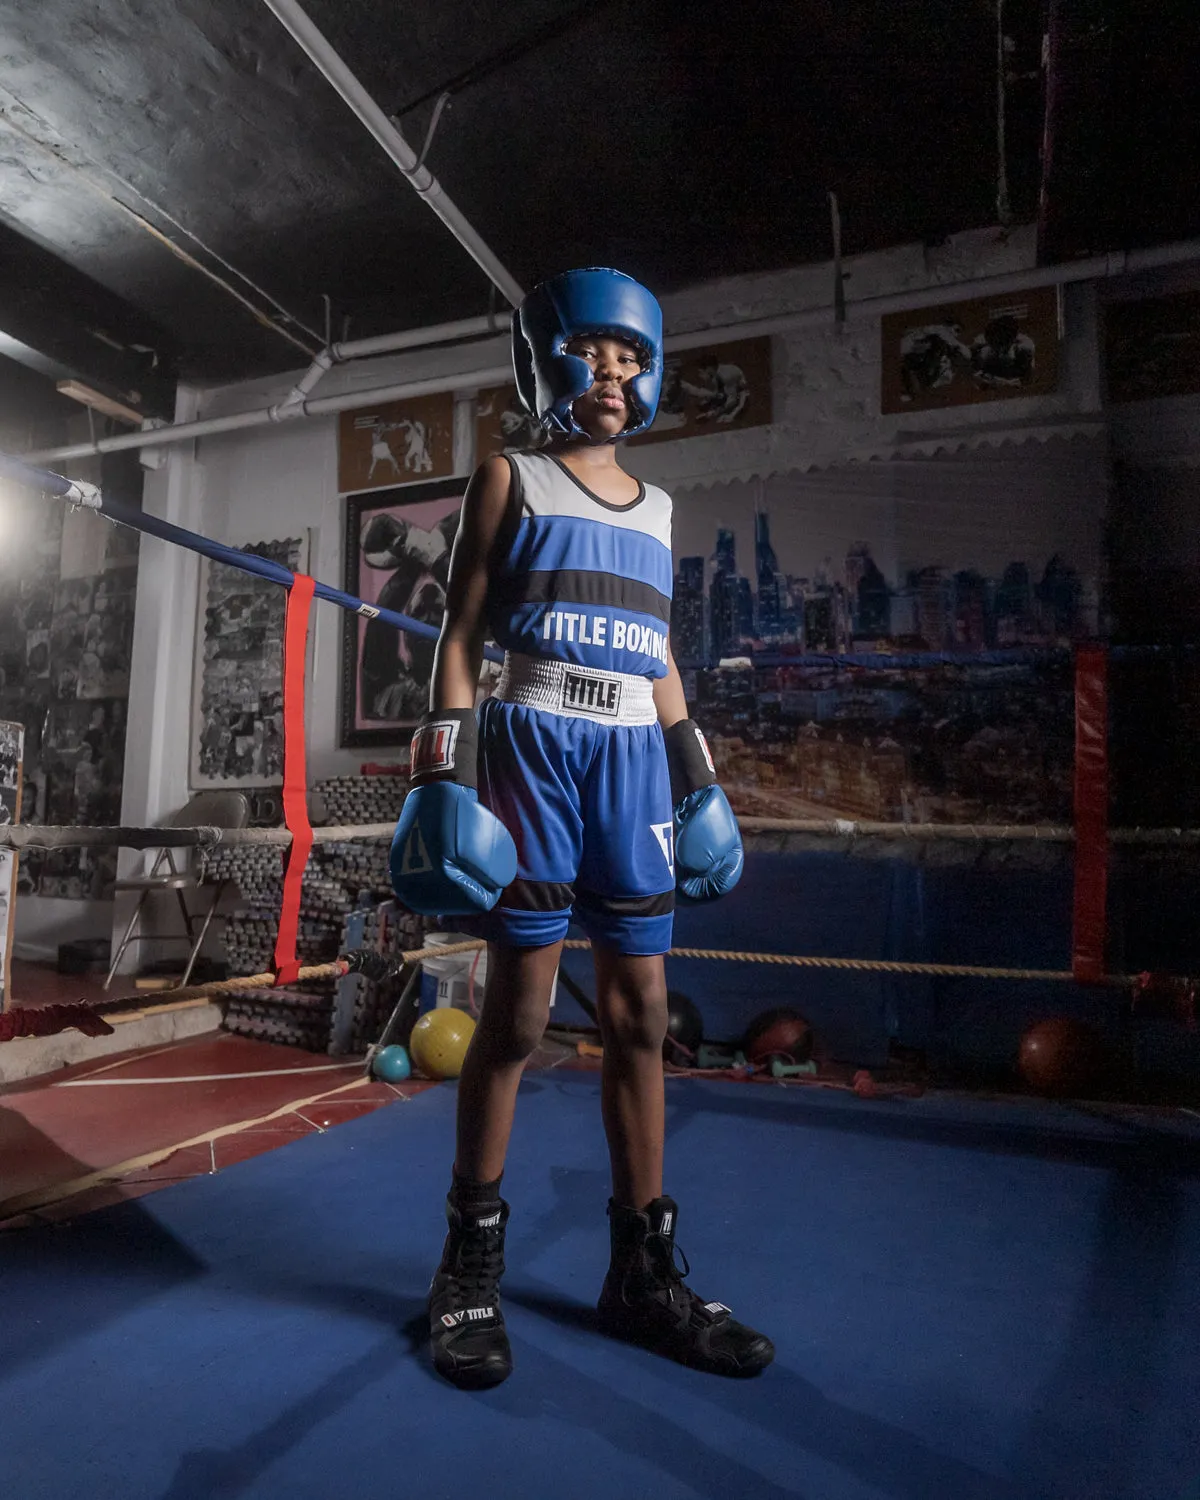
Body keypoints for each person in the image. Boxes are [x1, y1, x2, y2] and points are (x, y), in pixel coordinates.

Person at [390, 268, 774, 1389]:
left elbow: (658, 658)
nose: (614, 376)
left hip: (629, 771)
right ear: (548, 362)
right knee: (514, 1017)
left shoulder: (658, 511)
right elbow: (459, 633)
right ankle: (467, 1265)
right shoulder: (508, 476)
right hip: (533, 750)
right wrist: (444, 768)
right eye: (594, 355)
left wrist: (697, 778)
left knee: (641, 1012)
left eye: (632, 359)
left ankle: (643, 1276)